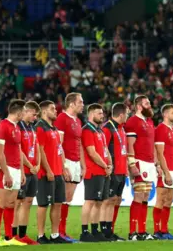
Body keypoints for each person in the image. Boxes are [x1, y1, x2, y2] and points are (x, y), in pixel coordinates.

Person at [35, 101, 70, 244]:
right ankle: (40, 235)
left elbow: (59, 149)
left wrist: (64, 167)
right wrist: (48, 169)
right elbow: (40, 150)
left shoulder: (54, 129)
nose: (56, 111)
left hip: (57, 172)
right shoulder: (40, 128)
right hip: (45, 173)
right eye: (52, 109)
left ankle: (55, 235)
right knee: (43, 204)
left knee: (58, 203)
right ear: (44, 112)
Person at [0, 100, 28, 246]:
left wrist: (21, 171)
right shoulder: (3, 126)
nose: (25, 114)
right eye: (24, 111)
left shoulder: (17, 127)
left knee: (11, 203)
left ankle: (9, 237)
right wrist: (6, 173)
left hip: (15, 169)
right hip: (5, 169)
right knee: (1, 203)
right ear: (19, 112)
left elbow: (18, 151)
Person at [125, 95, 157, 241]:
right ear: (139, 106)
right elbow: (130, 144)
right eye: (146, 103)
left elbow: (152, 143)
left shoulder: (150, 121)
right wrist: (131, 164)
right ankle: (132, 232)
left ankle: (142, 231)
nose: (149, 105)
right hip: (139, 162)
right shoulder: (132, 122)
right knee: (138, 195)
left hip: (150, 163)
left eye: (149, 103)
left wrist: (156, 163)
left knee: (145, 197)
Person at [79, 103, 112, 242]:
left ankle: (94, 230)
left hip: (103, 171)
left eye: (102, 113)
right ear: (91, 114)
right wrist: (105, 165)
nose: (102, 116)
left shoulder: (99, 131)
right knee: (90, 201)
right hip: (93, 171)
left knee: (99, 202)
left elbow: (105, 150)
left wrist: (110, 164)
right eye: (99, 113)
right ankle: (84, 232)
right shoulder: (87, 130)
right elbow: (91, 153)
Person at [54, 92, 84, 242]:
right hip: (67, 161)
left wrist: (82, 165)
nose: (82, 105)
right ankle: (58, 232)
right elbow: (58, 144)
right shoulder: (61, 118)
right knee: (62, 197)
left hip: (76, 161)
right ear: (71, 104)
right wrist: (63, 165)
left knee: (69, 198)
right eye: (80, 102)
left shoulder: (77, 121)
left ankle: (63, 231)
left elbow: (79, 144)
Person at [153, 104, 173, 240]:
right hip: (166, 169)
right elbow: (160, 153)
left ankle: (164, 230)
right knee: (161, 198)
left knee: (169, 200)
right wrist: (165, 172)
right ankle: (156, 231)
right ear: (165, 114)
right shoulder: (160, 129)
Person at [14, 101, 41, 245]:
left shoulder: (32, 128)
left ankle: (23, 235)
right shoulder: (18, 126)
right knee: (17, 202)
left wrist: (37, 165)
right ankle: (13, 236)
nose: (35, 117)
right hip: (22, 170)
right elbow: (18, 149)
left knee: (28, 202)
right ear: (26, 111)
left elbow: (36, 147)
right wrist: (30, 165)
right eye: (33, 114)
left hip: (32, 170)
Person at [102, 103, 129, 241]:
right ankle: (104, 230)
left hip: (121, 171)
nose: (128, 116)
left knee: (116, 200)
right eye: (127, 114)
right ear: (121, 114)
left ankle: (110, 229)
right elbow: (102, 148)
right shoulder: (107, 128)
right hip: (112, 170)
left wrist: (126, 168)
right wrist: (108, 166)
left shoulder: (121, 129)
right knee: (108, 200)